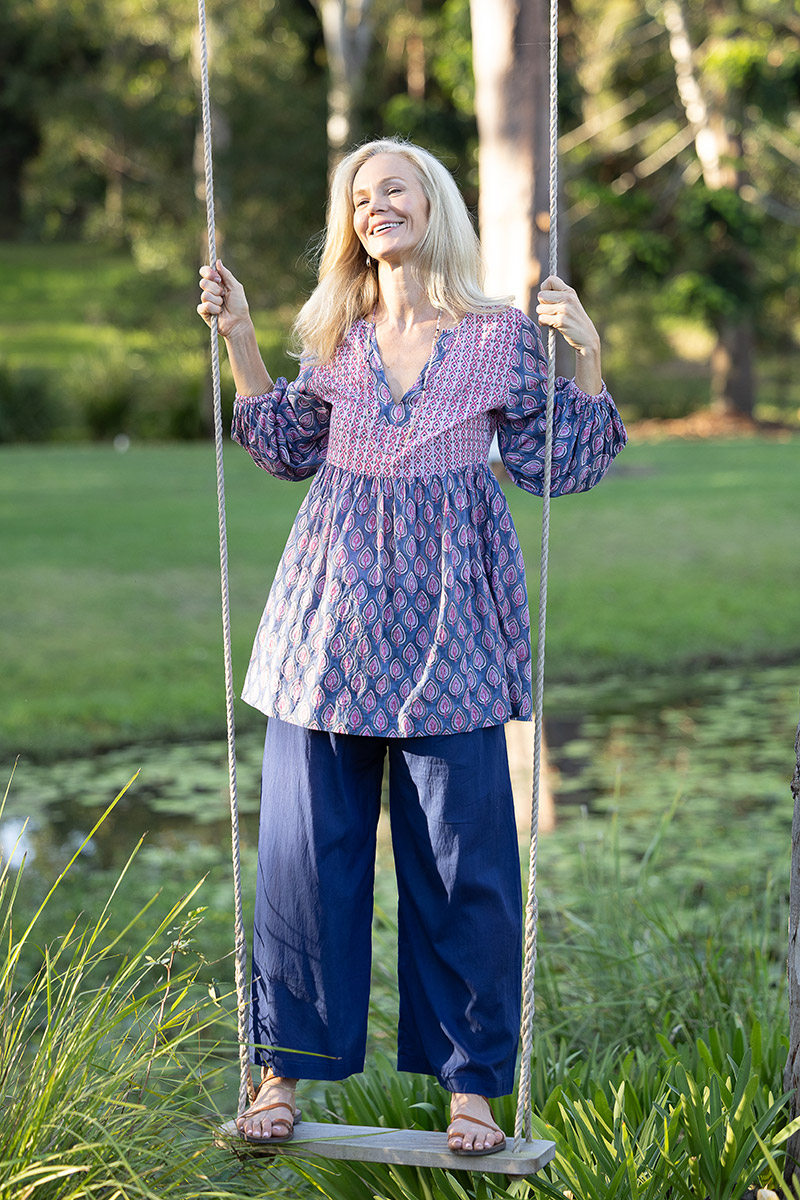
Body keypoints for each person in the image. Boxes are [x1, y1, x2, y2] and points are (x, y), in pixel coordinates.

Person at [197, 136, 626, 1157]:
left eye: (393, 188)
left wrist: (590, 357)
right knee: (305, 863)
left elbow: (556, 467)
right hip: (325, 630)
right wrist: (243, 335)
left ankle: (471, 1088)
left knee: (462, 864)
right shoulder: (332, 333)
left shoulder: (500, 336)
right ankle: (278, 1076)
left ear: (432, 204)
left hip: (452, 632)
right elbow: (282, 448)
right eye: (359, 195)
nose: (374, 205)